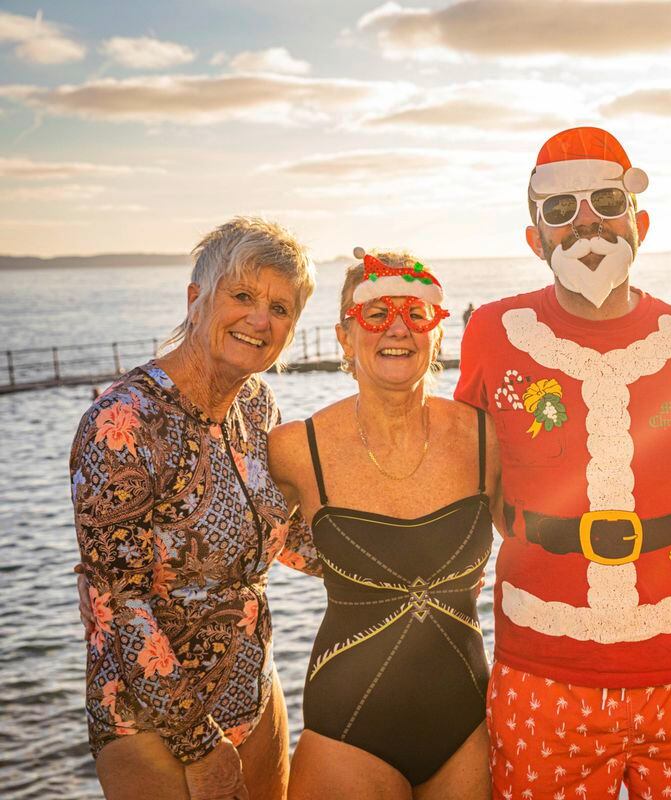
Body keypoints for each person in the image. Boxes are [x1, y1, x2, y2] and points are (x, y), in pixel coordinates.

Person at [455, 127, 671, 799]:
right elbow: (464, 470)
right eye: (560, 211)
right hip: (541, 671)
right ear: (535, 238)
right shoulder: (491, 334)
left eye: (606, 203)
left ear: (638, 221)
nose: (585, 222)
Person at [70, 217, 318, 800]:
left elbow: (281, 537)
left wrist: (410, 552)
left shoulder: (257, 406)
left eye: (281, 308)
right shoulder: (122, 423)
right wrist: (199, 747)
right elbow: (120, 603)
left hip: (254, 695)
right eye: (242, 296)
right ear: (195, 299)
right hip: (152, 727)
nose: (261, 319)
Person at [268, 249, 499, 799]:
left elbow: (543, 533)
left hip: (467, 725)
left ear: (437, 333)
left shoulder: (487, 439)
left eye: (416, 314)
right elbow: (232, 551)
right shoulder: (297, 449)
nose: (397, 327)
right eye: (376, 314)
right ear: (345, 336)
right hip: (349, 733)